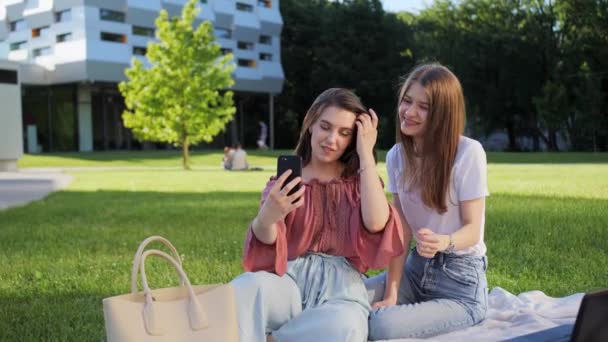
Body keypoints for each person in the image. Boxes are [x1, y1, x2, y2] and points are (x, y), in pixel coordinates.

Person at [230, 88, 404, 342]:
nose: (332, 139)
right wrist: (267, 216)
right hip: (288, 281)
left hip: (341, 289)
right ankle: (298, 332)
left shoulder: (361, 182)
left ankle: (275, 339)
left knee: (346, 327)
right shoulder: (286, 181)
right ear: (310, 124)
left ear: (353, 139)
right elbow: (267, 241)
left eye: (344, 133)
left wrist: (366, 153)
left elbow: (377, 223)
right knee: (244, 288)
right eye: (325, 127)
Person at [365, 63, 490, 340]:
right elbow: (401, 231)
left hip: (460, 286)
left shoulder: (468, 153)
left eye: (424, 106)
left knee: (379, 326)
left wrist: (444, 241)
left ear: (443, 114)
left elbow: (473, 229)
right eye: (407, 101)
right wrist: (392, 294)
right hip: (414, 271)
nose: (409, 112)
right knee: (343, 302)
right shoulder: (397, 156)